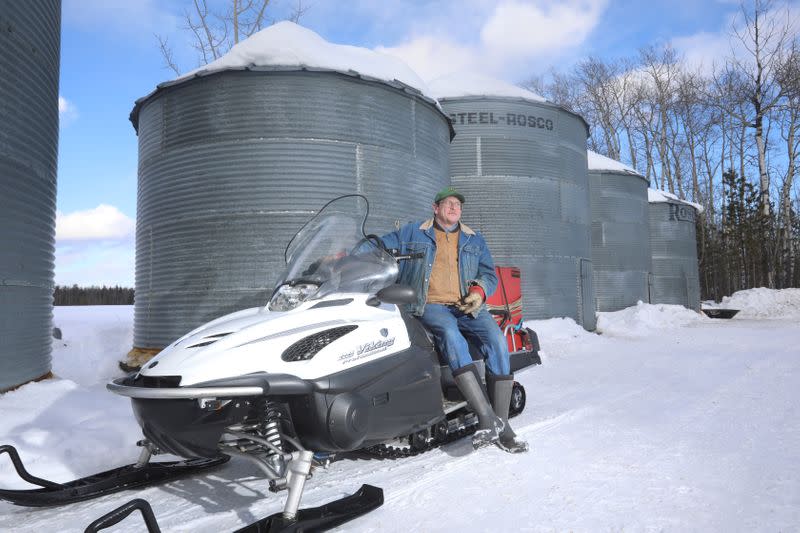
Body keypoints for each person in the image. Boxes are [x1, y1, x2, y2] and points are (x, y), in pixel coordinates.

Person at [378, 186, 528, 453]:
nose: (454, 208)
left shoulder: (474, 239)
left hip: (467, 306)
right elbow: (379, 245)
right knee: (450, 334)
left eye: (458, 205)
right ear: (435, 208)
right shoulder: (413, 232)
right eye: (448, 203)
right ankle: (484, 415)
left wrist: (479, 292)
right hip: (431, 305)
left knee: (496, 340)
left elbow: (489, 274)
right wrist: (348, 255)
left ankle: (501, 424)